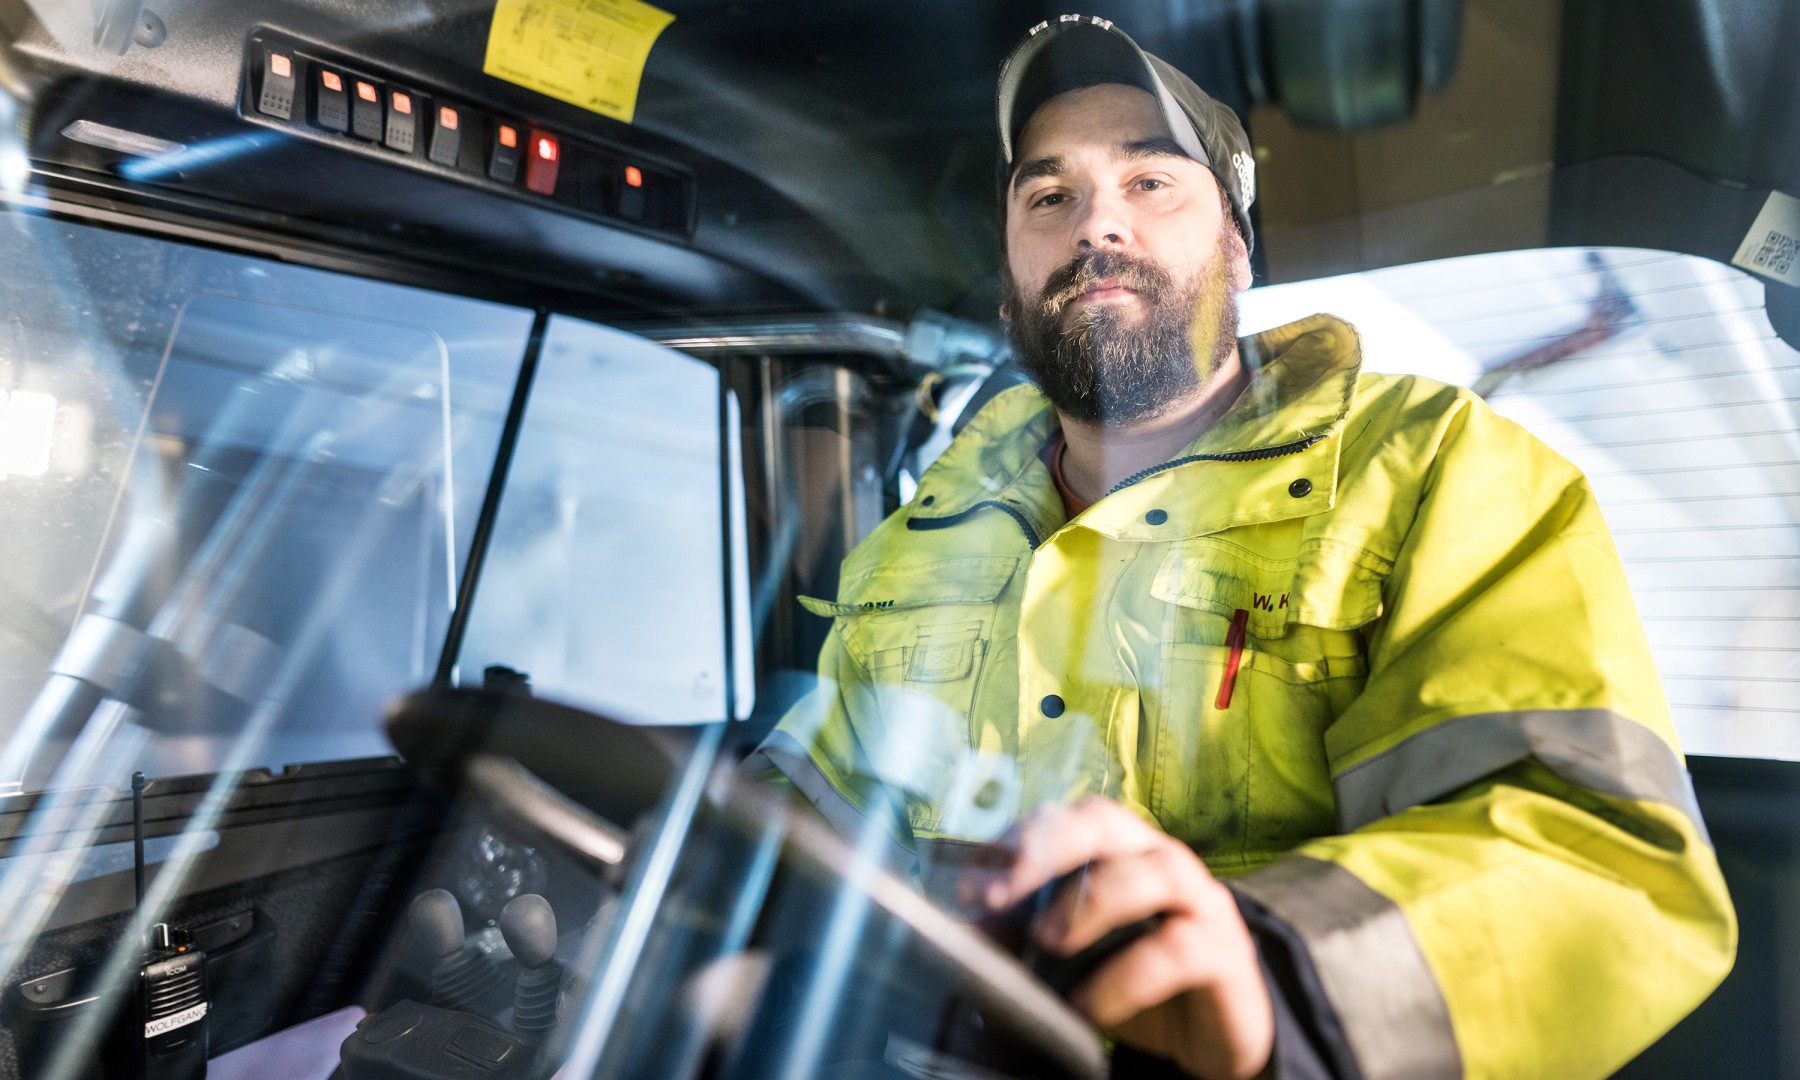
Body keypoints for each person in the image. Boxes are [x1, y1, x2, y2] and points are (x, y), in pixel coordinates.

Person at [749, 14, 1735, 1079]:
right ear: (1007, 280)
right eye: (1048, 196)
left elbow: (1599, 855)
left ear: (1236, 245)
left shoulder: (1434, 469)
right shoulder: (922, 536)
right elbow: (812, 808)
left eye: (1151, 182)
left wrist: (1277, 979)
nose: (1096, 227)